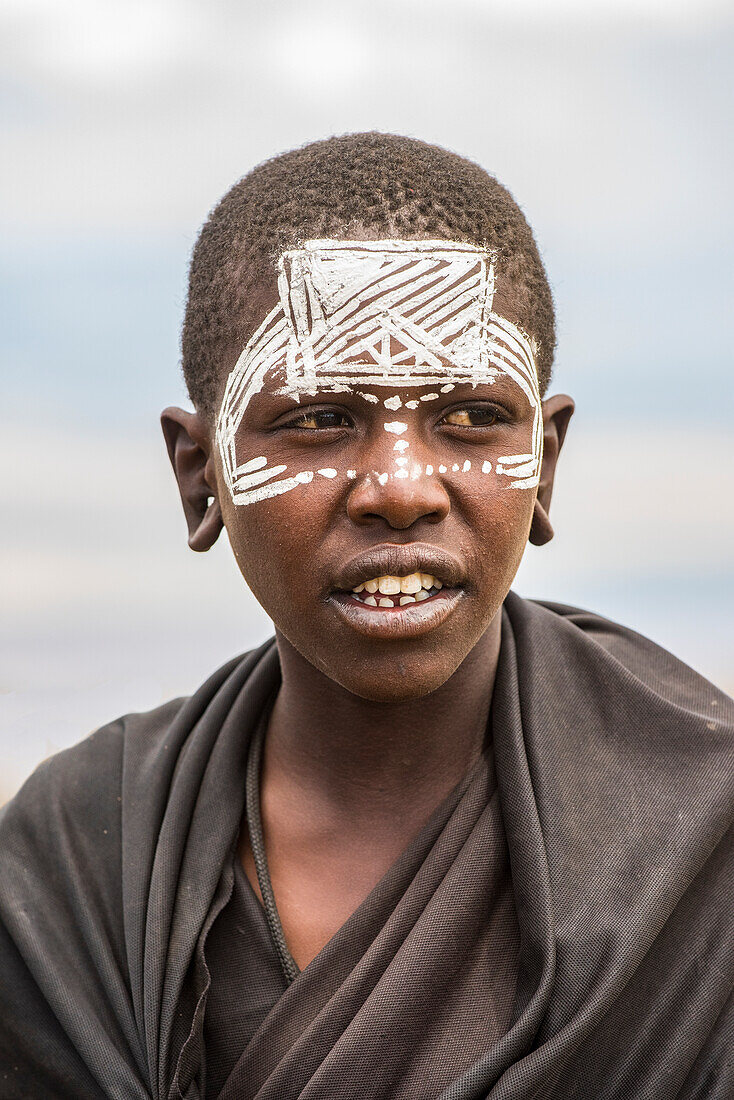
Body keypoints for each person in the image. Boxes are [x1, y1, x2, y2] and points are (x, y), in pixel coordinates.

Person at [0, 132, 731, 1100]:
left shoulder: (702, 837)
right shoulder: (80, 852)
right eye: (318, 419)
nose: (397, 488)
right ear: (198, 475)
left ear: (544, 462)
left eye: (469, 415)